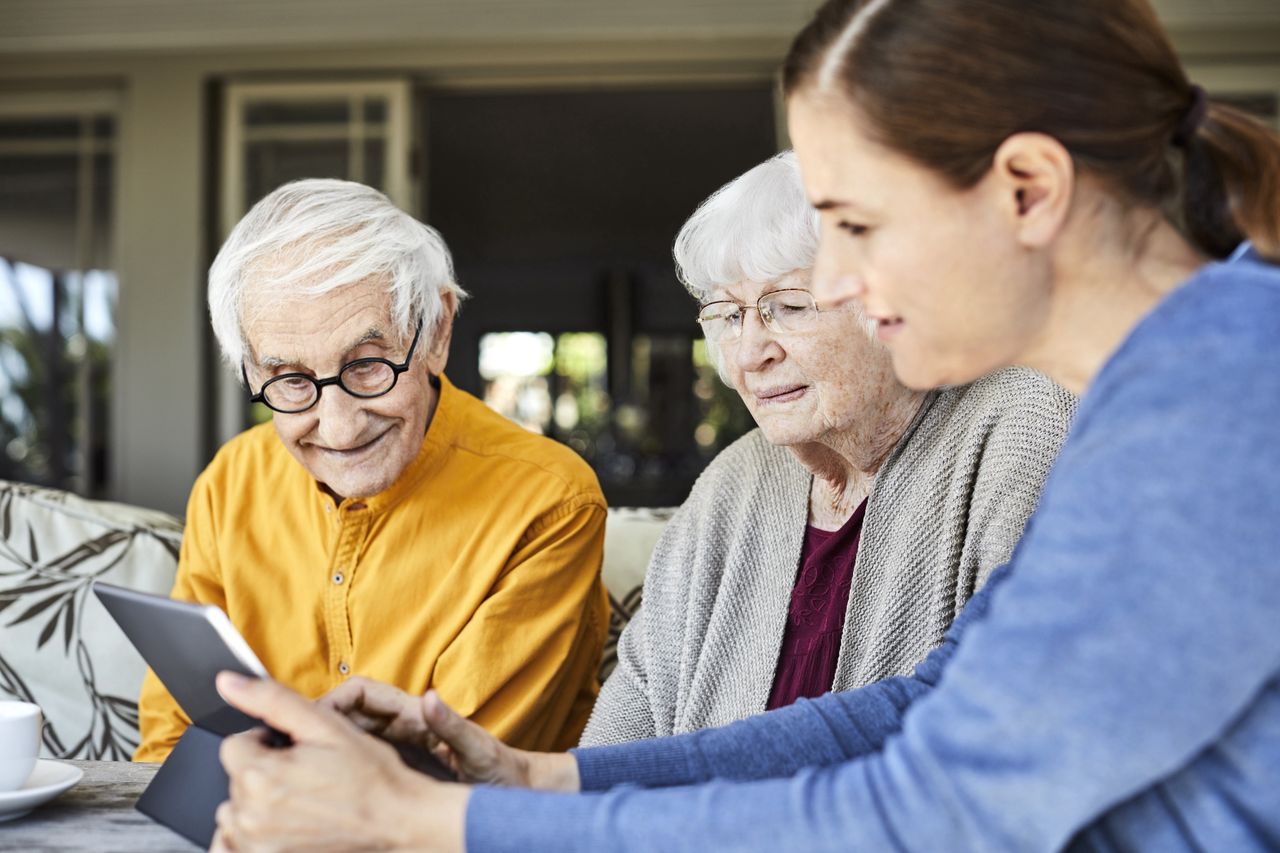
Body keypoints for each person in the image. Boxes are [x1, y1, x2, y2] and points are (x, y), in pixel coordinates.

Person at [211, 0, 1280, 849]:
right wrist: (546, 777)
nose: (844, 282)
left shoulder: (1220, 407)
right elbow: (923, 707)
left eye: (855, 226)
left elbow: (933, 817)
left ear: (1026, 189)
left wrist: (425, 823)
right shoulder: (1169, 386)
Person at [582, 151, 1074, 744]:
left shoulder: (1022, 425)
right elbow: (629, 714)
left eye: (787, 308)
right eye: (728, 317)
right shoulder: (733, 483)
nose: (748, 353)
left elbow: (1009, 719)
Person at [134, 179, 609, 762]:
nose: (338, 429)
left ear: (436, 331)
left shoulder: (546, 502)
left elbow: (463, 768)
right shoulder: (231, 482)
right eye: (290, 381)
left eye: (366, 365)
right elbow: (173, 735)